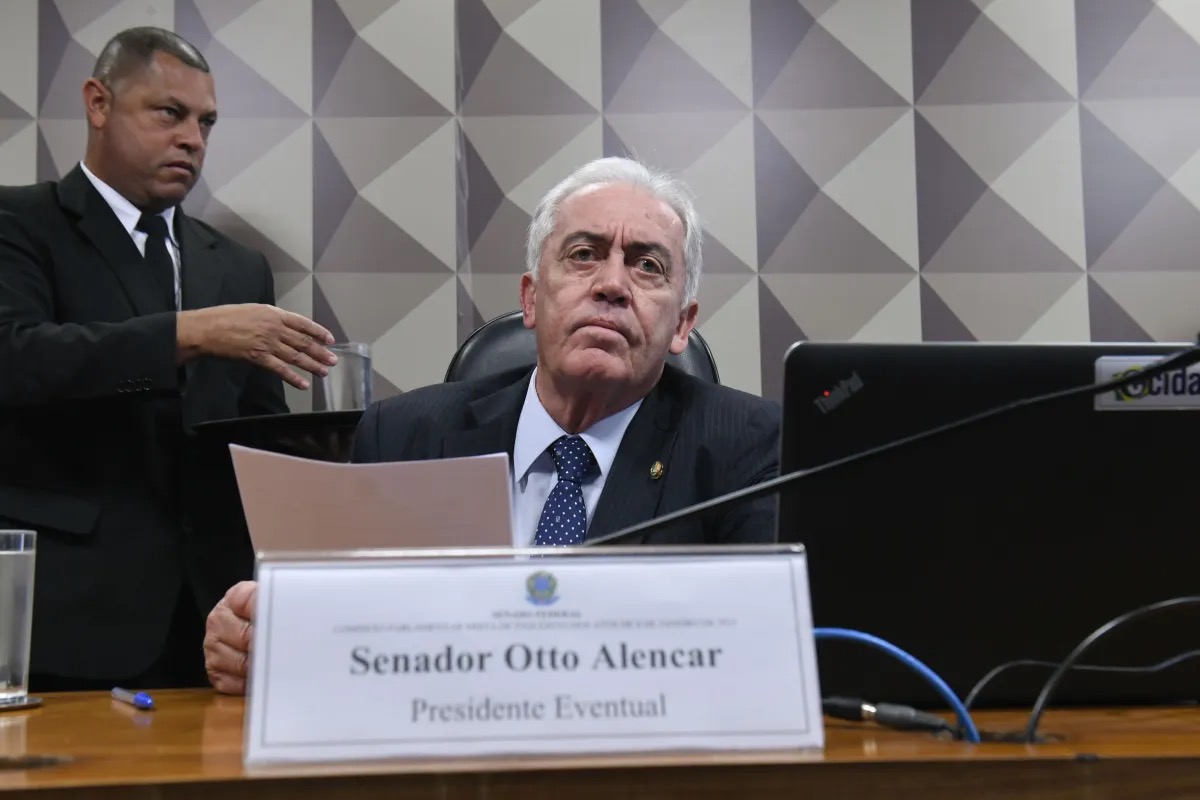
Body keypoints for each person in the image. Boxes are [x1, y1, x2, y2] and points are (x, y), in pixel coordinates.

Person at [203, 156, 781, 694]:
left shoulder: (747, 450)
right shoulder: (405, 438)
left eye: (647, 266)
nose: (611, 285)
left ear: (681, 325)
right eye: (584, 254)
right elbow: (336, 632)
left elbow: (763, 659)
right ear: (531, 299)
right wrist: (262, 639)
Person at [0, 27, 339, 691]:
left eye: (205, 122)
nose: (193, 139)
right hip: (67, 618)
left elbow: (257, 442)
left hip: (214, 621)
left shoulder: (238, 267)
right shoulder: (21, 224)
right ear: (99, 103)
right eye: (170, 113)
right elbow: (16, 360)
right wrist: (189, 334)